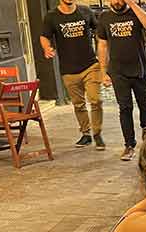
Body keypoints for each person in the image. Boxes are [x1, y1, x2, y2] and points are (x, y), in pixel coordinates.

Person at [40, 0, 105, 150]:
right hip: (68, 70)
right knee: (78, 104)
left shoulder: (85, 11)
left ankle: (97, 133)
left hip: (90, 65)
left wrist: (103, 47)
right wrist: (46, 48)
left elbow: (99, 31)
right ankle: (86, 134)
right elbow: (44, 36)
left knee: (96, 100)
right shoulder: (51, 16)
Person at [97, 0, 146, 161]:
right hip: (118, 72)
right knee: (125, 108)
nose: (117, 2)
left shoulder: (136, 13)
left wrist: (133, 4)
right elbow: (102, 45)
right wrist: (103, 71)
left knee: (145, 104)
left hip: (139, 70)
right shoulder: (104, 17)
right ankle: (129, 145)